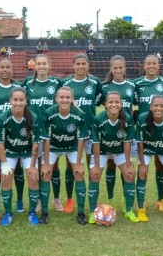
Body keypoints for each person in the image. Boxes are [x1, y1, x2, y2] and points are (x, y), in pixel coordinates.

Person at [0, 87, 45, 225]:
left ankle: (32, 213)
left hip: (28, 152)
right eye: (15, 100)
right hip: (10, 151)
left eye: (21, 100)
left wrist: (33, 166)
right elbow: (0, 143)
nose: (18, 103)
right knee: (6, 179)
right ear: (10, 100)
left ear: (26, 100)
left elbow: (35, 144)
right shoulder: (3, 117)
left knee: (33, 178)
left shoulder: (32, 117)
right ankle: (8, 213)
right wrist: (4, 164)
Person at [61, 54, 103, 213]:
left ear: (88, 65)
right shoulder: (66, 83)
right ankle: (70, 199)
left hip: (90, 130)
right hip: (72, 131)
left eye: (83, 64)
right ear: (73, 65)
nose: (80, 66)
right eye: (77, 63)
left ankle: (93, 197)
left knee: (92, 165)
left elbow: (100, 98)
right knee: (71, 166)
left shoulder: (94, 82)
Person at [88, 92, 138, 223]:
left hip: (119, 151)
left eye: (117, 102)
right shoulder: (99, 119)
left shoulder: (127, 118)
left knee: (129, 175)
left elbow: (127, 143)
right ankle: (92, 212)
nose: (114, 104)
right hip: (102, 151)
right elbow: (96, 144)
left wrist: (129, 164)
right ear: (105, 104)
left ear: (121, 104)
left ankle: (129, 211)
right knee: (94, 175)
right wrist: (97, 166)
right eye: (110, 102)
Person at [21, 54, 63, 211]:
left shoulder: (56, 82)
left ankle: (57, 199)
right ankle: (38, 199)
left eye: (44, 63)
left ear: (49, 65)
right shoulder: (28, 83)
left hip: (53, 128)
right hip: (35, 129)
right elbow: (13, 89)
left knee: (54, 165)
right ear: (35, 66)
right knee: (38, 165)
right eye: (39, 64)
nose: (42, 66)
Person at [40, 87, 87, 224]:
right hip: (53, 147)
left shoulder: (79, 114)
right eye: (62, 97)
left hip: (72, 147)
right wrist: (47, 164)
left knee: (78, 173)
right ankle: (44, 212)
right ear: (56, 98)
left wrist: (78, 163)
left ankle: (81, 212)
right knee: (46, 173)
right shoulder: (49, 113)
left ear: (72, 99)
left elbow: (80, 140)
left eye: (68, 97)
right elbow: (46, 139)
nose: (65, 100)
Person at [0, 58, 26, 212]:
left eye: (7, 67)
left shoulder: (19, 87)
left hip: (16, 133)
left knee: (18, 169)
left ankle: (20, 200)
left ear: (12, 69)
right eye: (2, 67)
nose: (4, 70)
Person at [136, 95, 163, 222]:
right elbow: (139, 143)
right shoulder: (142, 118)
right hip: (146, 149)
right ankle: (140, 208)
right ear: (150, 107)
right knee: (142, 174)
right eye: (155, 105)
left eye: (162, 106)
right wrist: (143, 164)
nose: (159, 108)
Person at [134, 54, 163, 213]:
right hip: (143, 131)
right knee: (143, 166)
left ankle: (160, 200)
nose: (151, 66)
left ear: (158, 66)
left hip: (161, 131)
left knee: (160, 165)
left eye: (154, 63)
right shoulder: (136, 84)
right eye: (148, 63)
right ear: (144, 66)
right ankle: (142, 202)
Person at [101, 55, 136, 212]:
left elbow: (139, 104)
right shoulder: (104, 87)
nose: (118, 70)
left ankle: (124, 198)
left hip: (127, 132)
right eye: (115, 68)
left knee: (126, 165)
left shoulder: (132, 86)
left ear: (125, 68)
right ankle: (111, 198)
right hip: (109, 132)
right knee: (110, 164)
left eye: (120, 67)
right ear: (111, 69)